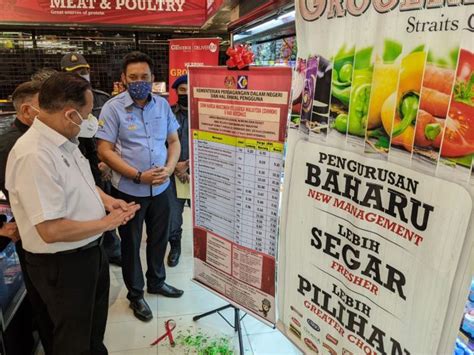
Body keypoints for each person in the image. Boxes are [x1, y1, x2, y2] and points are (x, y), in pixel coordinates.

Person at [5, 73, 140, 354]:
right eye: (88, 114)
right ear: (70, 114)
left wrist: (106, 201)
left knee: (91, 330)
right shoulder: (35, 155)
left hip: (89, 253)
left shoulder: (66, 141)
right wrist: (107, 223)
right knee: (72, 340)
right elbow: (50, 230)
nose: (91, 121)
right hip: (63, 266)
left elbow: (83, 184)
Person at [96, 51, 183, 323]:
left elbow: (174, 141)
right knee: (131, 244)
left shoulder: (162, 105)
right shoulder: (112, 108)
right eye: (133, 77)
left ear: (153, 78)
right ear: (123, 79)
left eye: (144, 77)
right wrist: (137, 176)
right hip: (129, 190)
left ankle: (156, 282)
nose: (139, 82)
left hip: (161, 189)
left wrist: (169, 169)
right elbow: (104, 150)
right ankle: (136, 294)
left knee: (159, 238)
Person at [0, 81, 54, 353]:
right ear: (26, 110)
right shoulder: (15, 145)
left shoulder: (34, 138)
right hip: (34, 235)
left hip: (42, 232)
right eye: (45, 106)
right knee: (44, 300)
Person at [61, 52, 123, 266]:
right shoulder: (60, 106)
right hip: (78, 164)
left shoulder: (101, 98)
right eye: (76, 72)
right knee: (88, 207)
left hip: (104, 162)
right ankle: (95, 246)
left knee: (108, 203)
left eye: (85, 71)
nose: (82, 75)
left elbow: (113, 133)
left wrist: (107, 160)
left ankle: (112, 249)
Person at [167, 74, 190, 267]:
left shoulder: (207, 114)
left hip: (201, 172)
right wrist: (175, 166)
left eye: (190, 90)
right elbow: (161, 144)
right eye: (182, 90)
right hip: (174, 174)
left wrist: (189, 163)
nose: (186, 94)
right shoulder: (169, 114)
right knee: (173, 215)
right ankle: (175, 246)